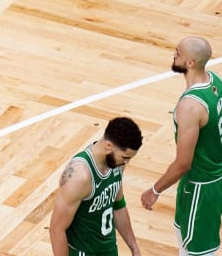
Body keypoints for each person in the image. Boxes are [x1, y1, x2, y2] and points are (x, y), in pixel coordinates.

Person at [141, 36, 222, 255]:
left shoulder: (191, 106)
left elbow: (183, 162)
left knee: (196, 251)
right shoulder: (215, 81)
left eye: (178, 52)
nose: (173, 54)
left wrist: (155, 190)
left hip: (201, 186)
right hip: (211, 177)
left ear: (190, 63)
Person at [50, 116, 143, 255]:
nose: (127, 162)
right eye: (125, 157)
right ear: (108, 146)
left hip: (108, 249)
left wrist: (133, 246)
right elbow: (56, 229)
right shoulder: (80, 176)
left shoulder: (117, 164)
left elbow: (118, 205)